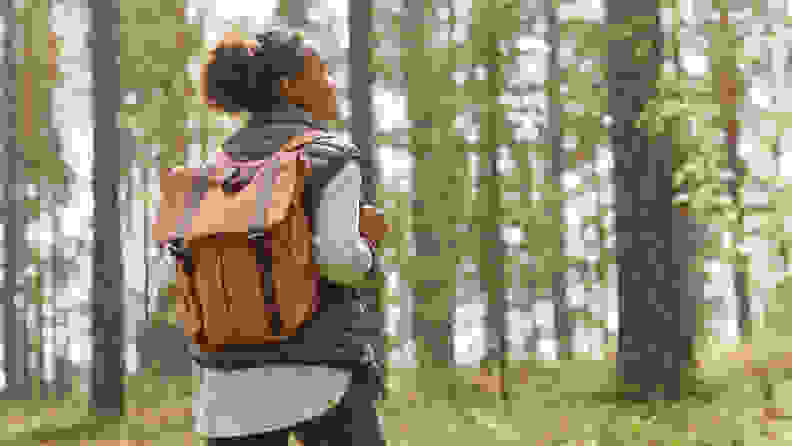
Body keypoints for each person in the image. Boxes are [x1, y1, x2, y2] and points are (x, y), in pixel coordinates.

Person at [188, 30, 386, 445]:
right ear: (292, 87)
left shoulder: (214, 169)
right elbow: (339, 261)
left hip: (226, 387)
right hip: (320, 375)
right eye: (322, 71)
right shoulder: (331, 157)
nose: (331, 82)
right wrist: (366, 242)